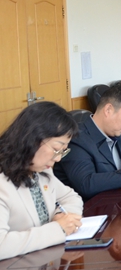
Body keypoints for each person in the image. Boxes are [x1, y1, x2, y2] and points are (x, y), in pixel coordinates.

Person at [0, 102, 83, 260]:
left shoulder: (41, 171)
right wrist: (58, 229)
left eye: (63, 151)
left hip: (45, 262)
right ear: (31, 139)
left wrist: (62, 215)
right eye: (56, 149)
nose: (58, 158)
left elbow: (71, 197)